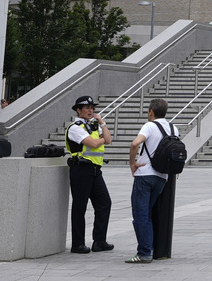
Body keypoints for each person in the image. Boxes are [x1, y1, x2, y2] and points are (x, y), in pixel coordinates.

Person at [126, 98, 176, 264]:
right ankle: (150, 248)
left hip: (145, 175)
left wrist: (132, 163)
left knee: (141, 215)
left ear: (151, 112)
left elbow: (135, 144)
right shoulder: (173, 128)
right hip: (162, 177)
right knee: (147, 213)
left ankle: (144, 252)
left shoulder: (149, 126)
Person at [66, 95, 115, 254]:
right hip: (81, 169)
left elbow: (108, 140)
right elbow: (95, 143)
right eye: (86, 108)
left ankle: (99, 241)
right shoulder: (75, 127)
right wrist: (100, 139)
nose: (90, 110)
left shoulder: (95, 125)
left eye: (92, 108)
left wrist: (102, 123)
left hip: (95, 170)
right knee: (80, 207)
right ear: (78, 110)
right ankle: (77, 244)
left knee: (104, 203)